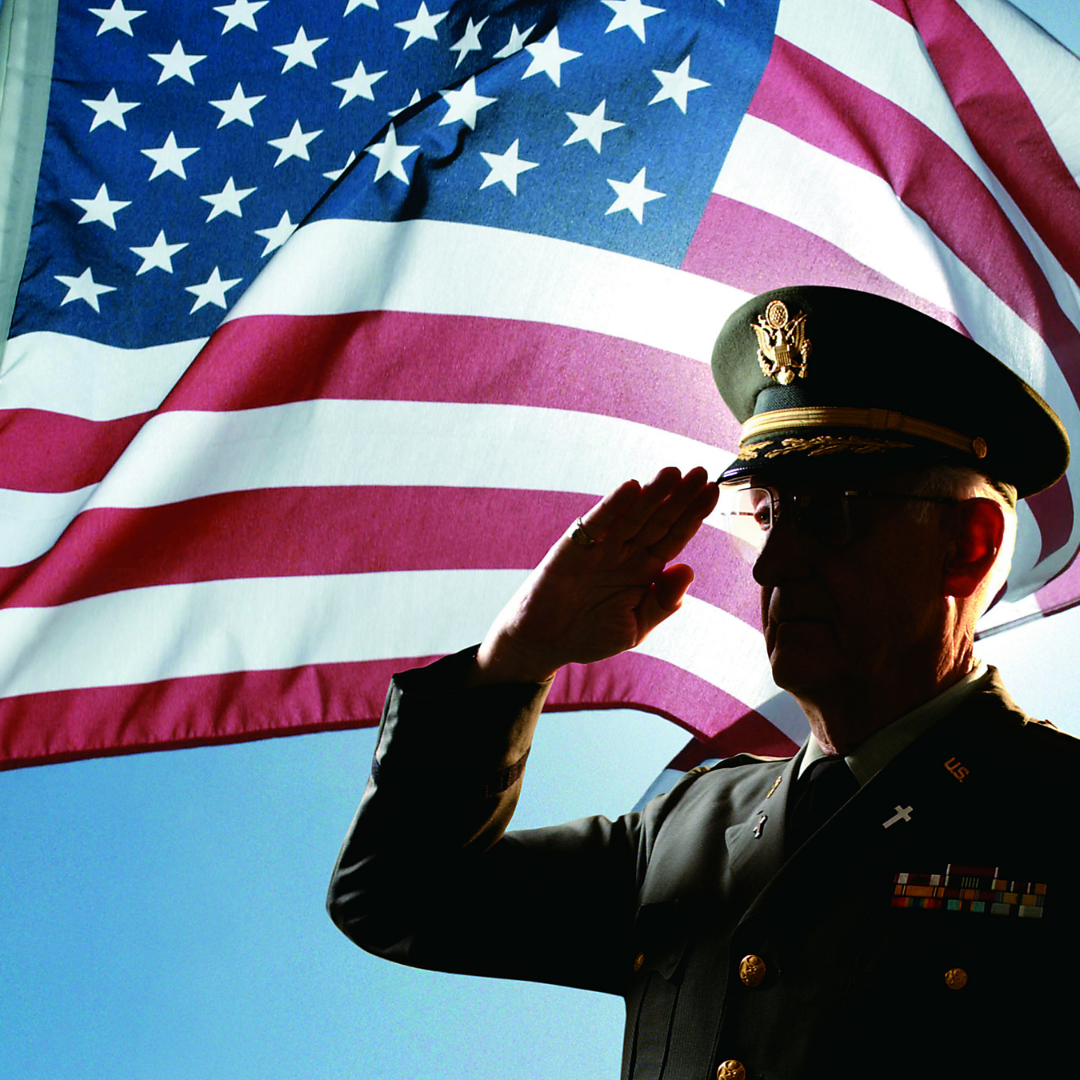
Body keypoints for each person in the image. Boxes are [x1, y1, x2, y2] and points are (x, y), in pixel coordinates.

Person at [327, 286, 1080, 1079]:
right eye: (764, 513)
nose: (770, 562)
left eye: (832, 511)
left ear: (968, 543)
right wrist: (516, 656)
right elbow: (394, 896)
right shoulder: (687, 826)